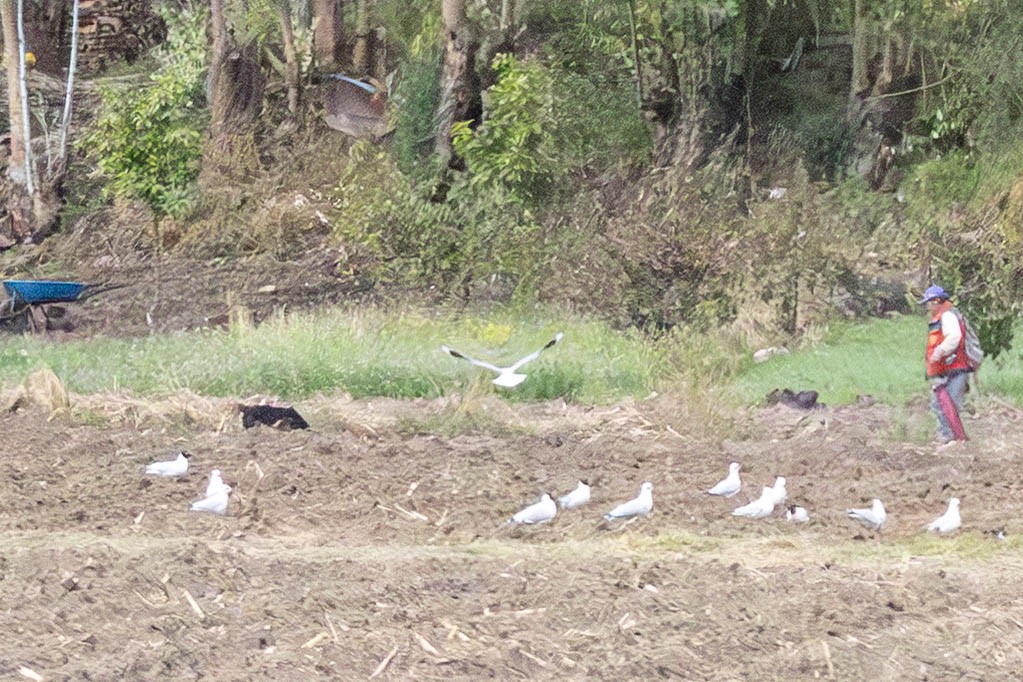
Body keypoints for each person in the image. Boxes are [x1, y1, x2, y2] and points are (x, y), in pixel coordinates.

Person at [920, 285, 971, 444]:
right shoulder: (943, 317)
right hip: (946, 370)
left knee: (948, 406)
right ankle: (949, 438)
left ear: (937, 301)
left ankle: (950, 439)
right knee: (940, 404)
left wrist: (939, 351)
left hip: (954, 369)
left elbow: (954, 337)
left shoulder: (947, 317)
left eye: (929, 303)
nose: (928, 307)